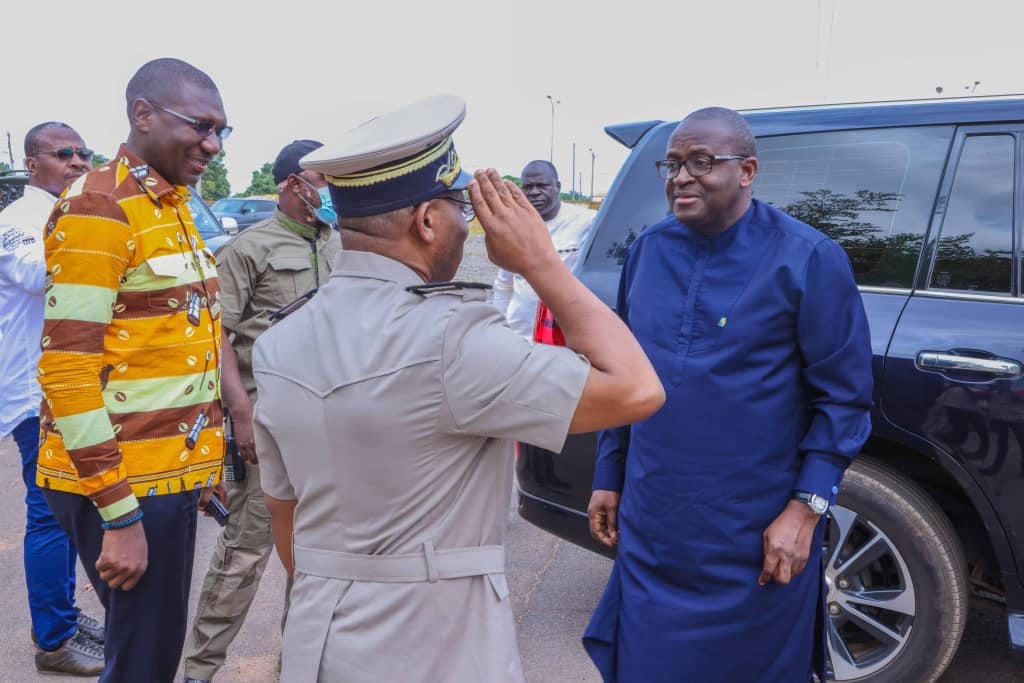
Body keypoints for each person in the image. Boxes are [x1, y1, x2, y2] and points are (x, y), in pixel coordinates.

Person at [251, 94, 664, 682]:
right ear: (426, 221)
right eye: (460, 208)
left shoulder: (281, 340)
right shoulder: (453, 338)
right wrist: (541, 262)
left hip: (319, 642)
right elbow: (637, 389)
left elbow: (284, 514)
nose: (466, 225)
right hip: (434, 645)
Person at [582, 107, 873, 682]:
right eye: (672, 164)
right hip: (655, 530)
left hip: (756, 538)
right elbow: (624, 378)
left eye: (700, 162)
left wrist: (805, 511)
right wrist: (609, 474)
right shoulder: (648, 251)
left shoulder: (808, 259)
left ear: (747, 171)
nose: (680, 177)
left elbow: (844, 400)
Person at [36, 58, 231, 683]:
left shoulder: (168, 203)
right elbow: (67, 373)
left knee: (149, 649)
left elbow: (182, 343)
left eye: (221, 130)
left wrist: (204, 467)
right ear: (142, 114)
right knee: (144, 661)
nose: (213, 143)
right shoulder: (102, 205)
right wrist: (120, 516)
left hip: (164, 471)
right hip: (124, 481)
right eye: (199, 125)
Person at [183, 139, 340, 683]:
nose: (332, 192)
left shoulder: (340, 246)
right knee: (244, 554)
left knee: (314, 558)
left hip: (327, 429)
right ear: (293, 184)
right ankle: (199, 670)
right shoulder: (248, 250)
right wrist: (241, 413)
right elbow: (216, 340)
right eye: (324, 181)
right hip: (265, 427)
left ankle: (297, 667)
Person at [0, 122, 104, 675]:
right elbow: (33, 273)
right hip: (34, 395)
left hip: (68, 389)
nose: (78, 161)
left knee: (68, 510)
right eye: (64, 153)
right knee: (49, 515)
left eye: (83, 153)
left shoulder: (67, 212)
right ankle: (54, 639)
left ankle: (62, 614)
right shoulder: (19, 220)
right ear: (32, 163)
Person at [492, 160, 594, 337]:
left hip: (564, 337)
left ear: (557, 187)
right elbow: (504, 285)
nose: (534, 192)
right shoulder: (515, 226)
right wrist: (497, 329)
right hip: (519, 337)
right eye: (528, 187)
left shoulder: (587, 223)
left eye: (542, 185)